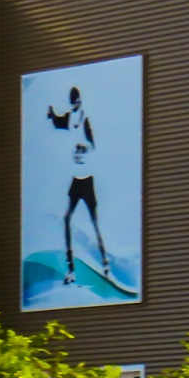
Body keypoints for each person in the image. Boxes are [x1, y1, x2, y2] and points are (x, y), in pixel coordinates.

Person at [47, 85, 110, 284]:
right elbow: (59, 122)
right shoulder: (70, 118)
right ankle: (70, 268)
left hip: (87, 180)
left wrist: (84, 147)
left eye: (77, 101)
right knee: (67, 219)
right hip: (76, 179)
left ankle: (104, 261)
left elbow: (93, 144)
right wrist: (51, 115)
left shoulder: (84, 120)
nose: (75, 104)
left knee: (94, 221)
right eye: (73, 101)